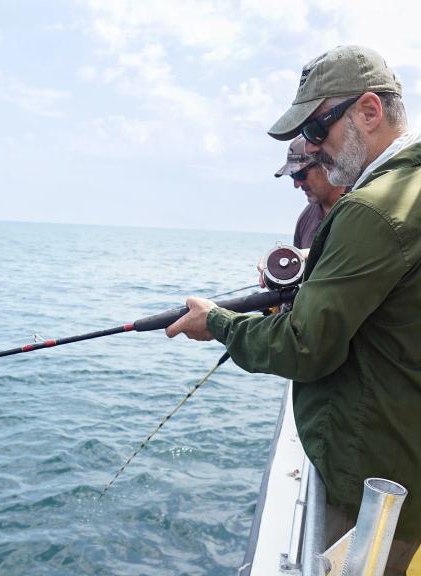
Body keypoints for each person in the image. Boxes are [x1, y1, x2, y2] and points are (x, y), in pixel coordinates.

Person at [166, 46, 421, 574]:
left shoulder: (371, 210)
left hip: (378, 479)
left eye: (318, 128)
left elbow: (304, 347)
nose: (311, 150)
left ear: (369, 112)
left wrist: (216, 322)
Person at [274, 134, 345, 249]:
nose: (297, 184)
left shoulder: (360, 205)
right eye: (293, 176)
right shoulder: (304, 220)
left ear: (326, 164)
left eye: (299, 174)